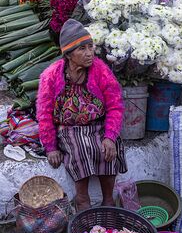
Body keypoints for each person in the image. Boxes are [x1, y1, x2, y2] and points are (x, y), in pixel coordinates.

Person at [36, 19, 127, 211]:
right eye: (82, 49)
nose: (89, 53)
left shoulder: (100, 70)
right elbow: (44, 114)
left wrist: (110, 136)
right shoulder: (51, 76)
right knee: (81, 148)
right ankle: (83, 201)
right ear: (69, 54)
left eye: (90, 47)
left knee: (109, 149)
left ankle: (108, 201)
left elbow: (115, 105)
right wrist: (51, 147)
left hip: (98, 125)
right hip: (69, 129)